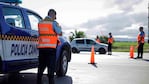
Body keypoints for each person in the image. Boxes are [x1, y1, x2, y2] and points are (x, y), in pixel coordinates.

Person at [37, 9, 62, 84]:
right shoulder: (53, 23)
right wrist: (59, 27)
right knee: (51, 68)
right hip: (51, 49)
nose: (55, 17)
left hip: (41, 48)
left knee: (41, 66)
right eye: (55, 16)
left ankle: (38, 82)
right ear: (53, 15)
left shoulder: (40, 23)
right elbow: (59, 32)